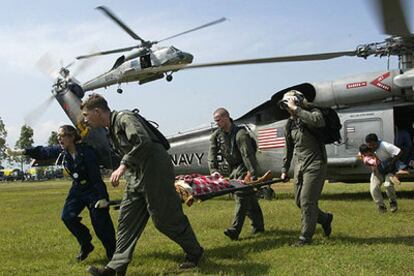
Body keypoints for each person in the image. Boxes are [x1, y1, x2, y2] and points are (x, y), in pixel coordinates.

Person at [81, 94, 203, 276]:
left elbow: (142, 141)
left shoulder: (124, 118)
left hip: (154, 170)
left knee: (164, 219)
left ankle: (194, 252)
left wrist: (122, 166)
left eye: (86, 115)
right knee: (126, 220)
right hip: (136, 175)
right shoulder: (111, 130)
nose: (85, 120)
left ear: (97, 111)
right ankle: (114, 269)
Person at [6, 125, 116, 261]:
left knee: (100, 223)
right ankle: (86, 243)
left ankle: (113, 255)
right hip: (77, 189)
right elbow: (42, 151)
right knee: (67, 217)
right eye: (58, 136)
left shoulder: (87, 152)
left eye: (62, 136)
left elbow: (96, 178)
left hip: (92, 189)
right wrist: (21, 151)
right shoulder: (61, 151)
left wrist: (102, 197)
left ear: (71, 137)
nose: (59, 139)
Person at [279, 90, 333, 247]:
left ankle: (305, 237)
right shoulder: (289, 124)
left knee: (307, 201)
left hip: (315, 163)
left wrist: (297, 109)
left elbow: (318, 121)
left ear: (297, 101)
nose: (287, 108)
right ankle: (325, 219)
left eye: (289, 104)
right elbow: (288, 148)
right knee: (299, 201)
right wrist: (284, 169)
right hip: (300, 166)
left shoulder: (312, 113)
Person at [208, 107, 265, 241]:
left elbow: (247, 155)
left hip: (244, 167)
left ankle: (235, 229)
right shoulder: (217, 135)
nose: (217, 123)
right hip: (232, 169)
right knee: (249, 198)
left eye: (219, 120)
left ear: (227, 117)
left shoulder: (241, 134)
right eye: (215, 121)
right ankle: (258, 226)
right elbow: (212, 153)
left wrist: (253, 174)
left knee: (241, 195)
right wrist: (213, 170)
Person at [365, 133, 402, 213]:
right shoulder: (367, 149)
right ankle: (381, 206)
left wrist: (391, 163)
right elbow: (364, 157)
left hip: (390, 171)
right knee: (374, 188)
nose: (371, 147)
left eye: (373, 145)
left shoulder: (385, 145)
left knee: (388, 185)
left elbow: (399, 152)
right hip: (377, 171)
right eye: (369, 145)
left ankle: (393, 202)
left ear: (377, 142)